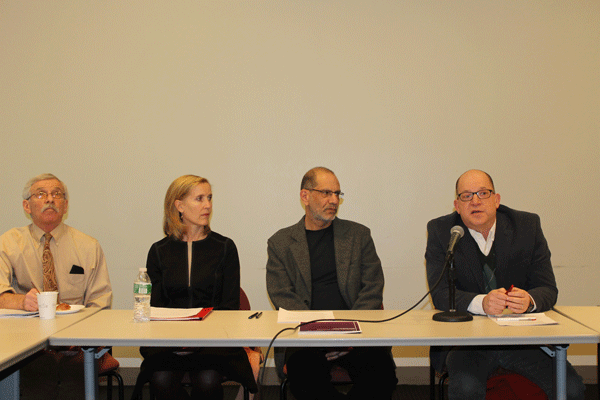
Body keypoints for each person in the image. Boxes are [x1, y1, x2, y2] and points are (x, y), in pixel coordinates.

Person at [425, 169, 585, 400]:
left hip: (523, 341)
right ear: (456, 206)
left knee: (571, 389)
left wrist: (529, 301)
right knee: (466, 389)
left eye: (483, 193)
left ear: (497, 200)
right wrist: (482, 303)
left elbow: (547, 288)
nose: (476, 201)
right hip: (468, 343)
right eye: (466, 196)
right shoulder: (443, 232)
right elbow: (440, 294)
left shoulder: (527, 226)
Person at [266, 167, 398, 400]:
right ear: (305, 196)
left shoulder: (359, 236)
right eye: (326, 193)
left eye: (338, 194)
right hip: (305, 338)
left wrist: (347, 334)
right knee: (305, 379)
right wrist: (319, 335)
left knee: (382, 375)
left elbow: (372, 289)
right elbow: (282, 295)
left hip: (357, 334)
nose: (334, 200)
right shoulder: (281, 243)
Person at [132, 175, 257, 400]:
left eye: (209, 198)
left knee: (207, 378)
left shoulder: (225, 247)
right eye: (199, 198)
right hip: (169, 344)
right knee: (160, 379)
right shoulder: (159, 251)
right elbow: (155, 308)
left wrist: (199, 341)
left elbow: (229, 308)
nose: (207, 205)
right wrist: (176, 341)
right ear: (179, 206)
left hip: (213, 345)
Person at [0, 173, 113, 399]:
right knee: (35, 377)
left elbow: (100, 304)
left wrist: (79, 338)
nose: (50, 199)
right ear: (27, 205)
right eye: (41, 194)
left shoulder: (88, 246)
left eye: (57, 194)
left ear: (65, 204)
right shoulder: (9, 243)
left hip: (77, 346)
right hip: (27, 346)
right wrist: (22, 301)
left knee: (75, 379)